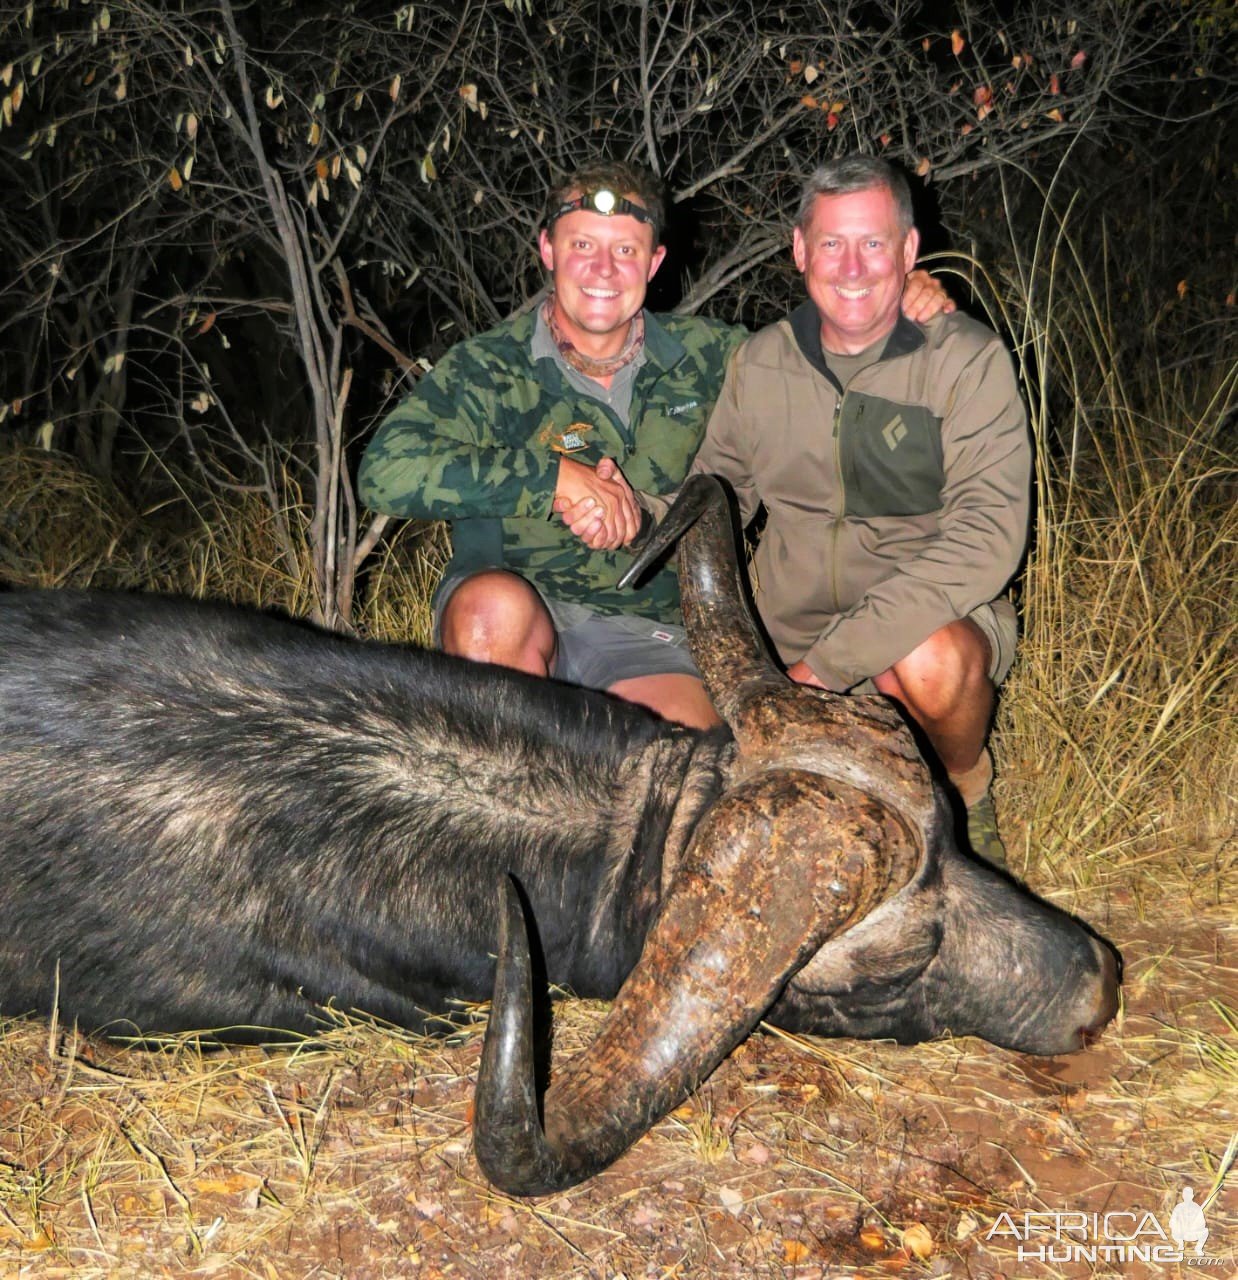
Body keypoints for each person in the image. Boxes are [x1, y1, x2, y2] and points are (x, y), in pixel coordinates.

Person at [358, 160, 951, 731]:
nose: (602, 270)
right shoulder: (487, 368)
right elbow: (384, 470)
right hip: (520, 613)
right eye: (582, 246)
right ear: (548, 251)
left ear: (655, 261)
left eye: (625, 250)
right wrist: (554, 479)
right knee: (491, 616)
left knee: (672, 767)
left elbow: (829, 361)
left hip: (650, 630)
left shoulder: (714, 356)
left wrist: (894, 296)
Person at [659, 155, 1031, 866]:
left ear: (910, 251)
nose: (853, 266)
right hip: (786, 629)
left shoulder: (966, 360)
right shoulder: (761, 360)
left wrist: (832, 664)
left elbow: (988, 536)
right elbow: (719, 490)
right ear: (799, 251)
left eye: (874, 243)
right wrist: (632, 514)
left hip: (920, 622)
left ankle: (966, 794)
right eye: (832, 243)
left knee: (927, 665)